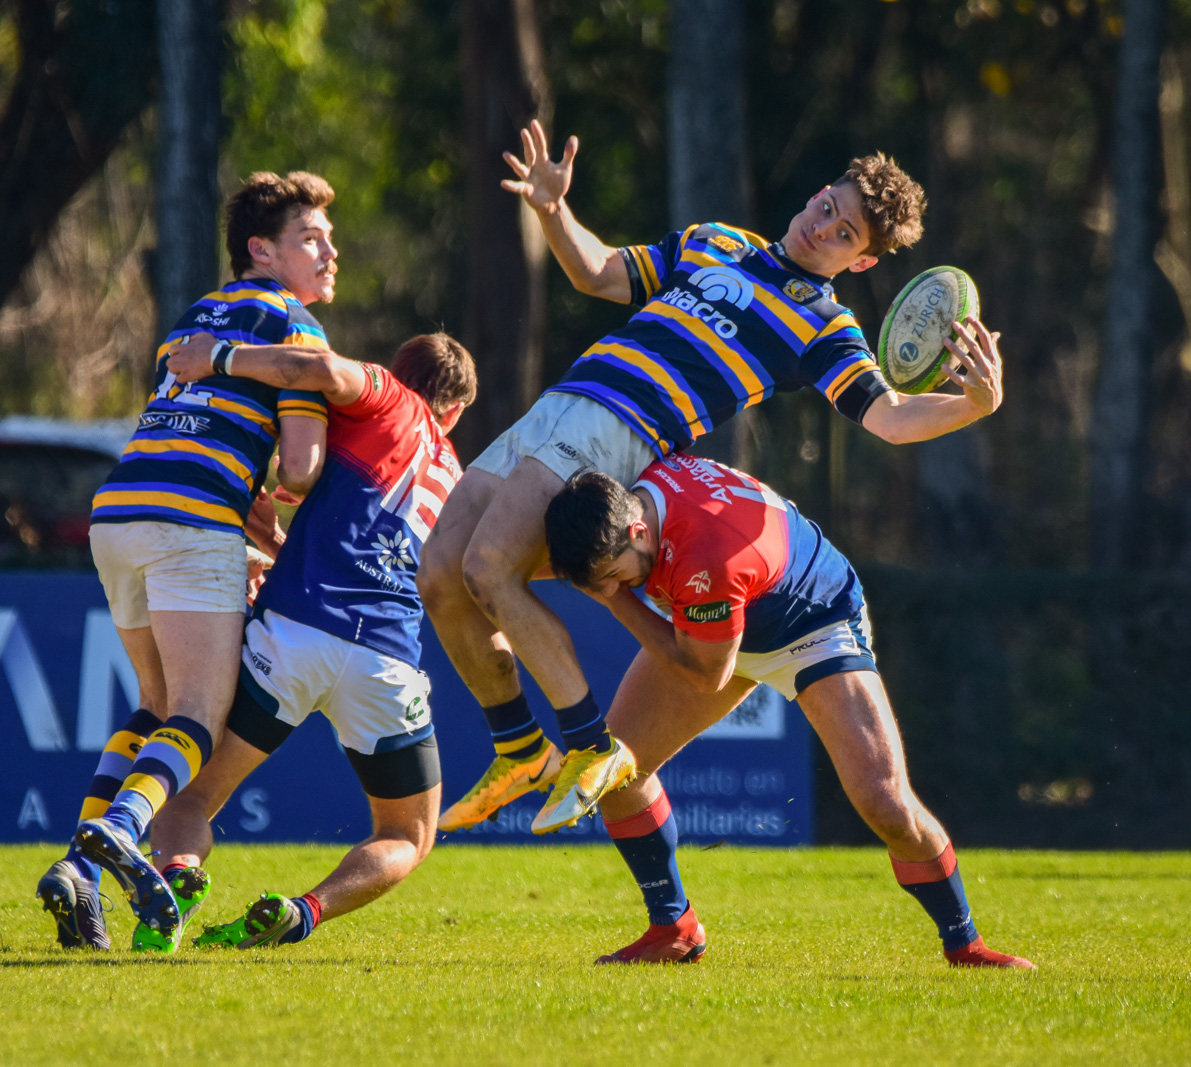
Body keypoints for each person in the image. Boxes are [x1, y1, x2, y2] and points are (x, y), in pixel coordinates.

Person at [424, 119, 1005, 837]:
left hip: (623, 427)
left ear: (859, 262)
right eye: (828, 206)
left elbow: (888, 417)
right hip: (562, 402)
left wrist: (974, 405)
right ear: (817, 194)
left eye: (845, 233)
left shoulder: (824, 326)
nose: (823, 226)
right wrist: (552, 210)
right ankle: (518, 748)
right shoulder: (715, 242)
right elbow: (597, 273)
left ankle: (587, 745)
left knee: (488, 566)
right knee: (441, 572)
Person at [542, 457, 1034, 969]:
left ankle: (966, 944)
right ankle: (673, 928)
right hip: (721, 621)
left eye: (613, 575)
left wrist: (613, 601)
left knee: (884, 801)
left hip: (811, 623)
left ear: (638, 530)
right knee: (617, 772)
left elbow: (704, 674)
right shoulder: (629, 502)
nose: (613, 586)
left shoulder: (705, 553)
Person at [37, 171, 337, 951]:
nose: (329, 252)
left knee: (154, 701)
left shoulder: (192, 320)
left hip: (119, 511)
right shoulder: (296, 326)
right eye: (311, 238)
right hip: (190, 522)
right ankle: (123, 826)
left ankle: (79, 871)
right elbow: (302, 465)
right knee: (198, 713)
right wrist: (285, 502)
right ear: (261, 250)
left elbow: (182, 423)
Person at [148, 331, 475, 949]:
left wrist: (218, 357)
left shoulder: (386, 396)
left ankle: (175, 881)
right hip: (386, 660)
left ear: (398, 372)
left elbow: (321, 368)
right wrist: (280, 543)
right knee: (408, 834)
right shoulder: (456, 476)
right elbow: (391, 565)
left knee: (189, 798)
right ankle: (304, 912)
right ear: (455, 412)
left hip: (294, 636)